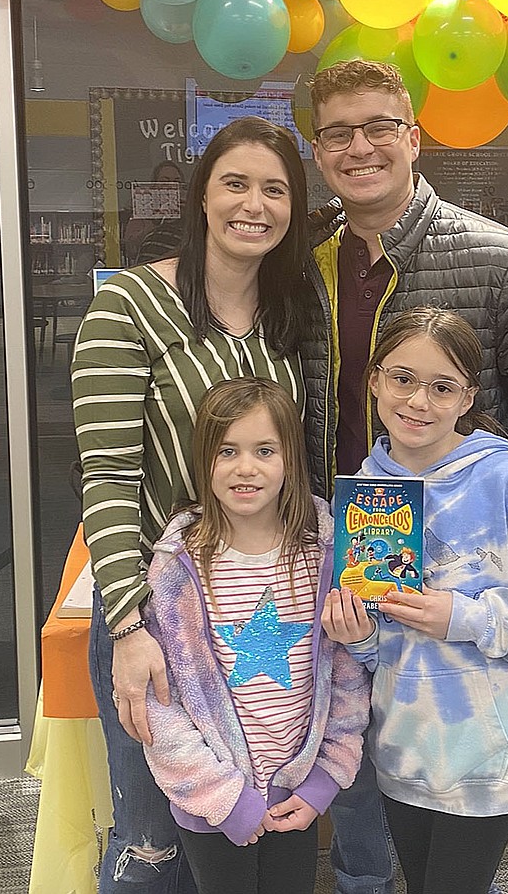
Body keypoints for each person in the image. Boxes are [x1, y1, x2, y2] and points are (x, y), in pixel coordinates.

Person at [300, 59, 508, 894]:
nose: (358, 146)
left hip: (461, 550)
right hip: (343, 533)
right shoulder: (297, 266)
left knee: (448, 758)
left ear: (413, 137)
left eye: (378, 127)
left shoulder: (499, 258)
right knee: (357, 739)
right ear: (318, 149)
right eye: (337, 132)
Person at [71, 116, 311, 894]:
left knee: (251, 837)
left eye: (275, 188)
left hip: (263, 617)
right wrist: (130, 624)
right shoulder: (130, 308)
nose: (255, 204)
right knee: (153, 847)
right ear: (200, 196)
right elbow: (105, 478)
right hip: (161, 624)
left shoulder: (289, 323)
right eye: (235, 183)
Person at [322, 307, 508, 894]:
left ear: (468, 397)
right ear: (373, 381)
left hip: (489, 754)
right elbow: (379, 647)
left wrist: (461, 616)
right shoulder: (368, 490)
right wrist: (358, 635)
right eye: (402, 379)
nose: (419, 401)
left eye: (442, 387)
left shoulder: (507, 479)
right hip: (403, 745)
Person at [142, 377, 370, 894]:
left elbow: (347, 680)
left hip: (296, 790)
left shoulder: (327, 549)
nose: (246, 468)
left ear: (290, 457)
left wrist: (323, 781)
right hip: (213, 799)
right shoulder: (178, 566)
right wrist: (223, 798)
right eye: (228, 451)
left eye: (264, 450)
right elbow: (163, 704)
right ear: (204, 460)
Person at [124, 159, 186, 264]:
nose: (171, 185)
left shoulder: (188, 210)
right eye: (165, 181)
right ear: (155, 186)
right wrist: (155, 219)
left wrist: (187, 216)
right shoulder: (143, 212)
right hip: (149, 268)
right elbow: (131, 250)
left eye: (176, 181)